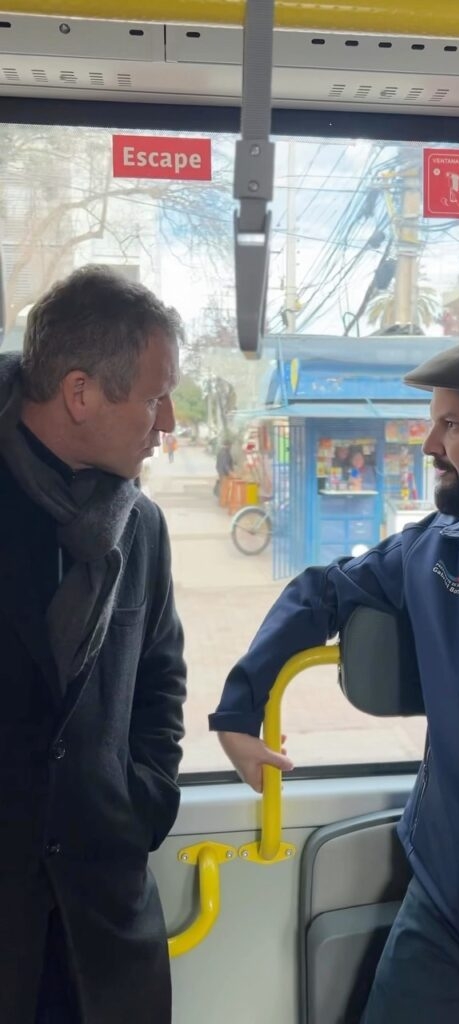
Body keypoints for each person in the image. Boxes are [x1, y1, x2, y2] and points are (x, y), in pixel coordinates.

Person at [209, 334, 459, 1022]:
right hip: (441, 908)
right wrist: (238, 711)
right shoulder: (439, 546)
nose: (430, 443)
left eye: (453, 424)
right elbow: (322, 591)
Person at [0, 265, 187, 1024]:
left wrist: (141, 799)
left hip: (102, 924)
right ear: (80, 393)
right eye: (153, 397)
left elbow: (161, 681)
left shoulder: (140, 527)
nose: (169, 422)